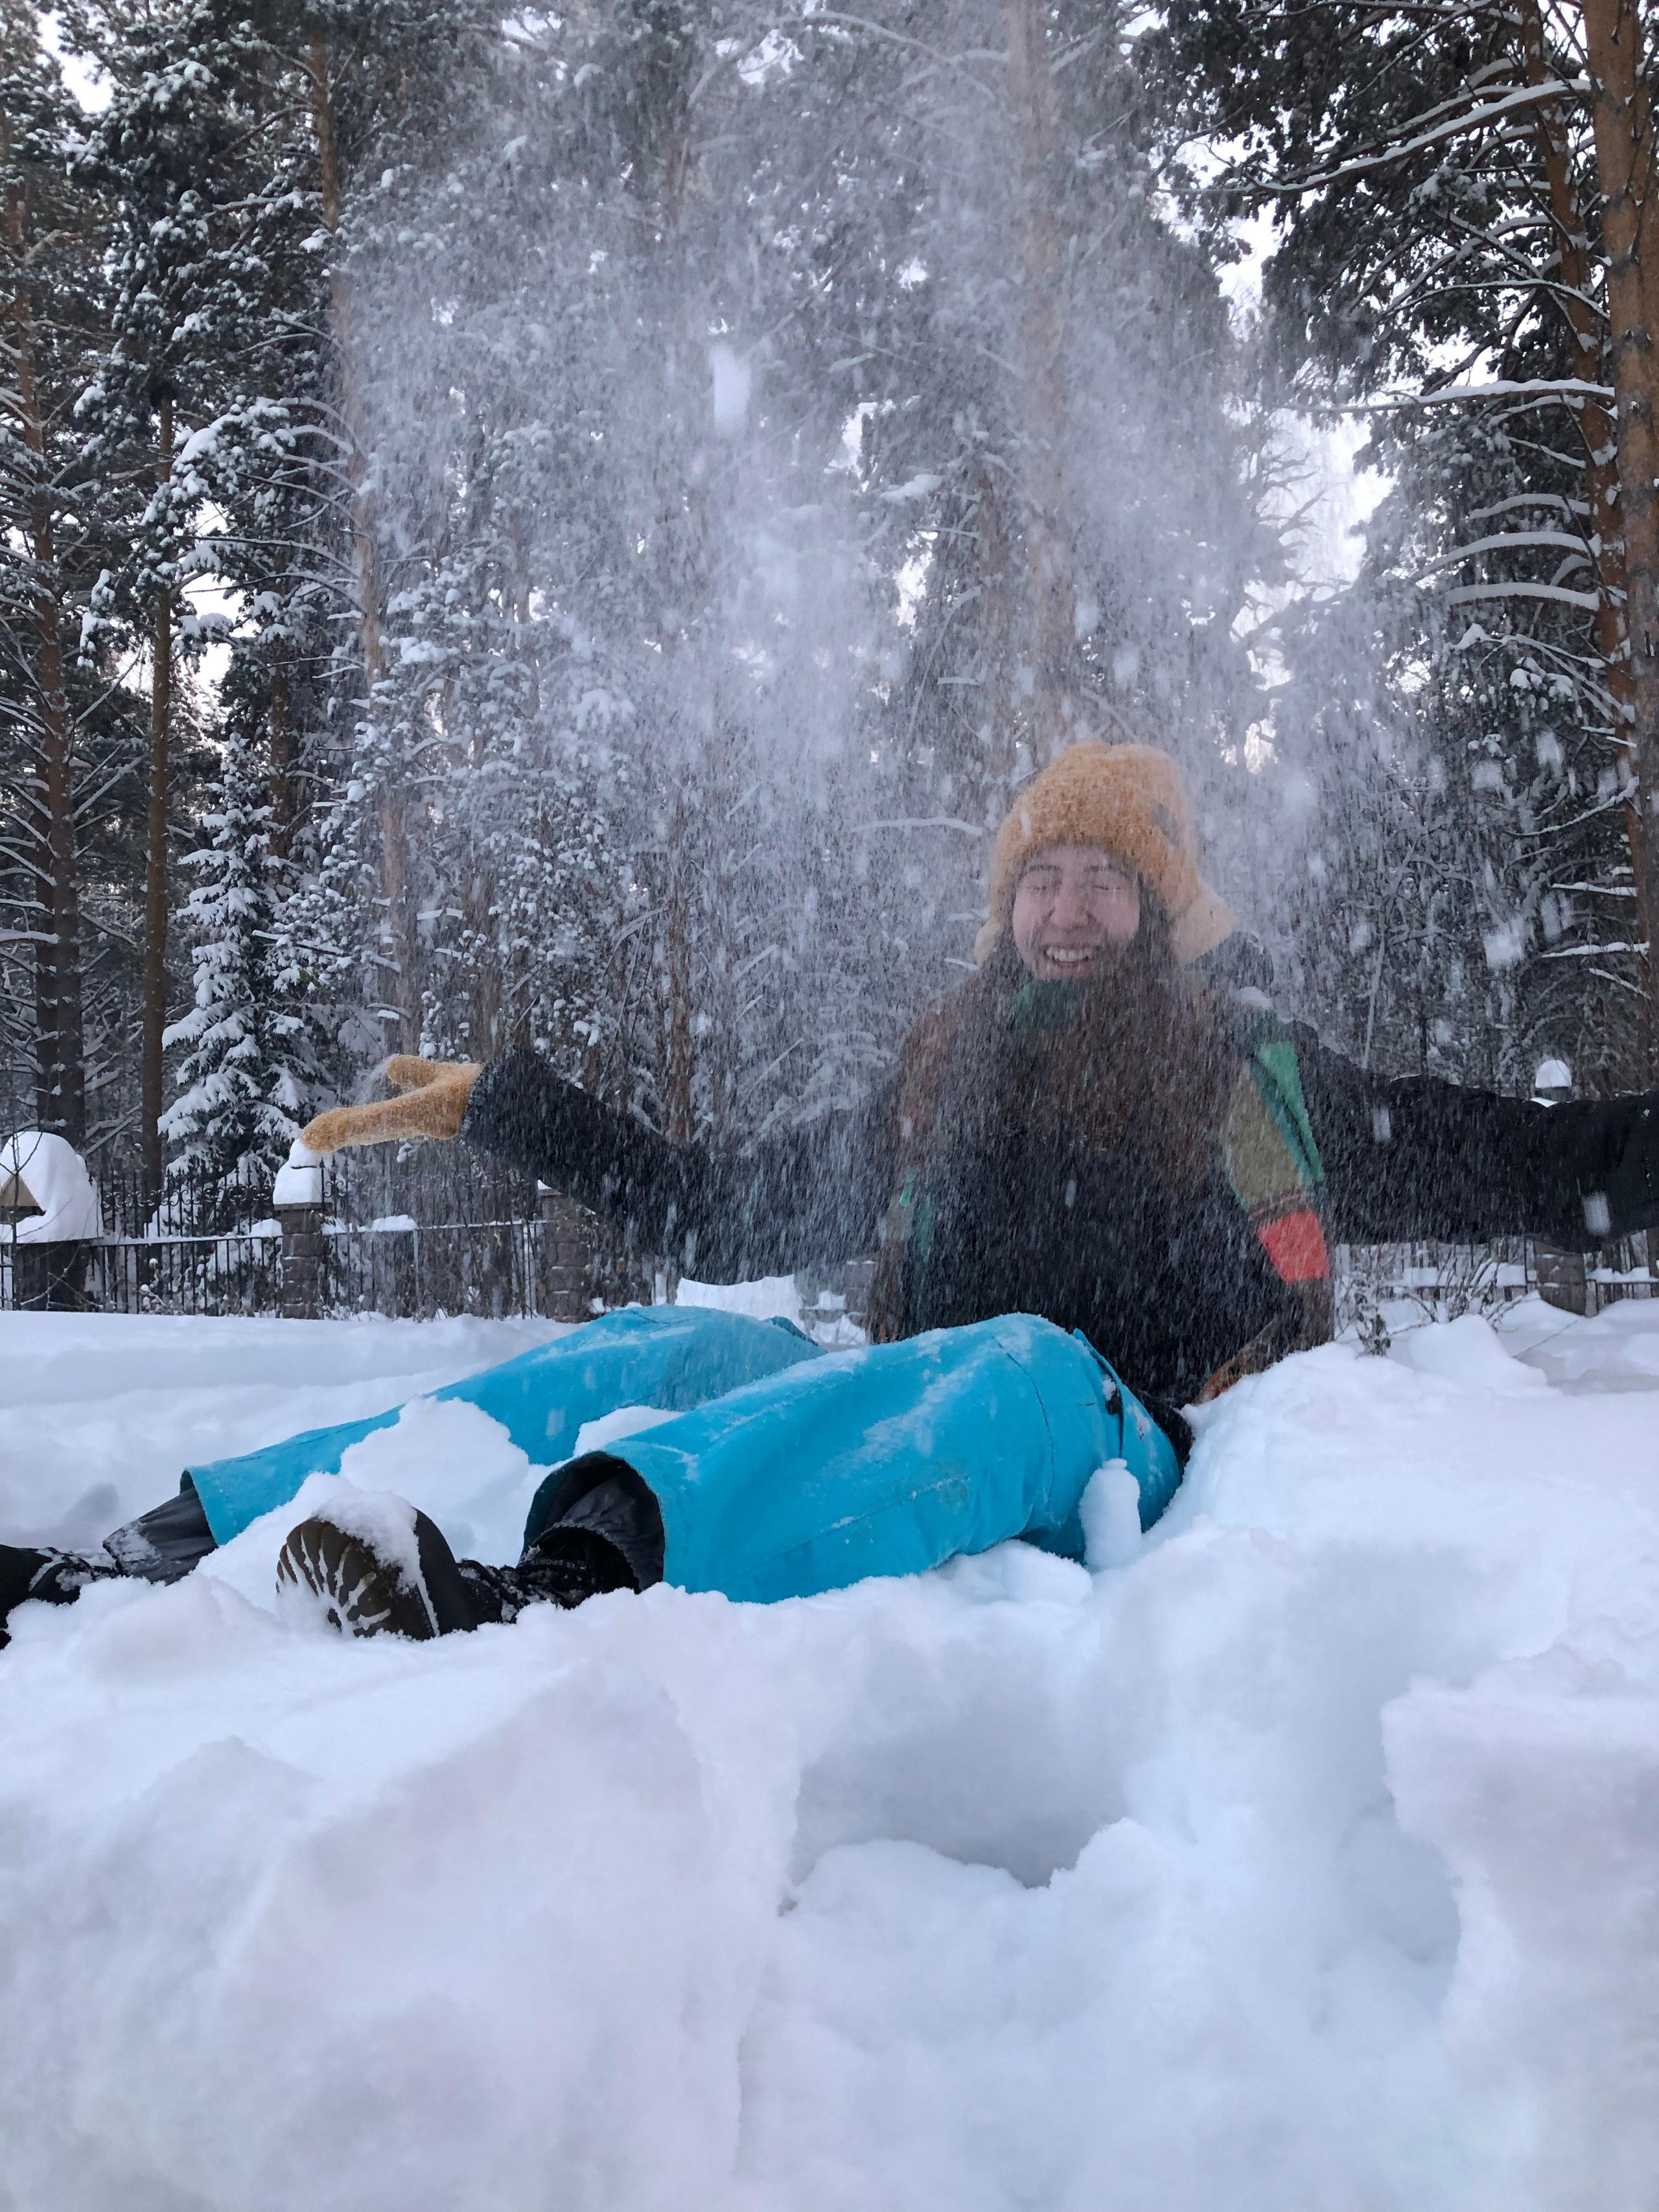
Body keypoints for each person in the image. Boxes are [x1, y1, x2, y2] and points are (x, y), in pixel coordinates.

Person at [5, 742, 1657, 1646]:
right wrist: (514, 1112)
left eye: (1103, 880)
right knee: (684, 1346)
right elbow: (730, 1216)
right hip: (909, 1407)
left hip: (1124, 1443)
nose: (1067, 909)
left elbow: (1532, 1158)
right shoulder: (944, 1073)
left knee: (1014, 1354)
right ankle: (180, 1543)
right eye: (1040, 879)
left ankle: (569, 1586)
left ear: (1158, 909)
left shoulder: (1246, 1075)